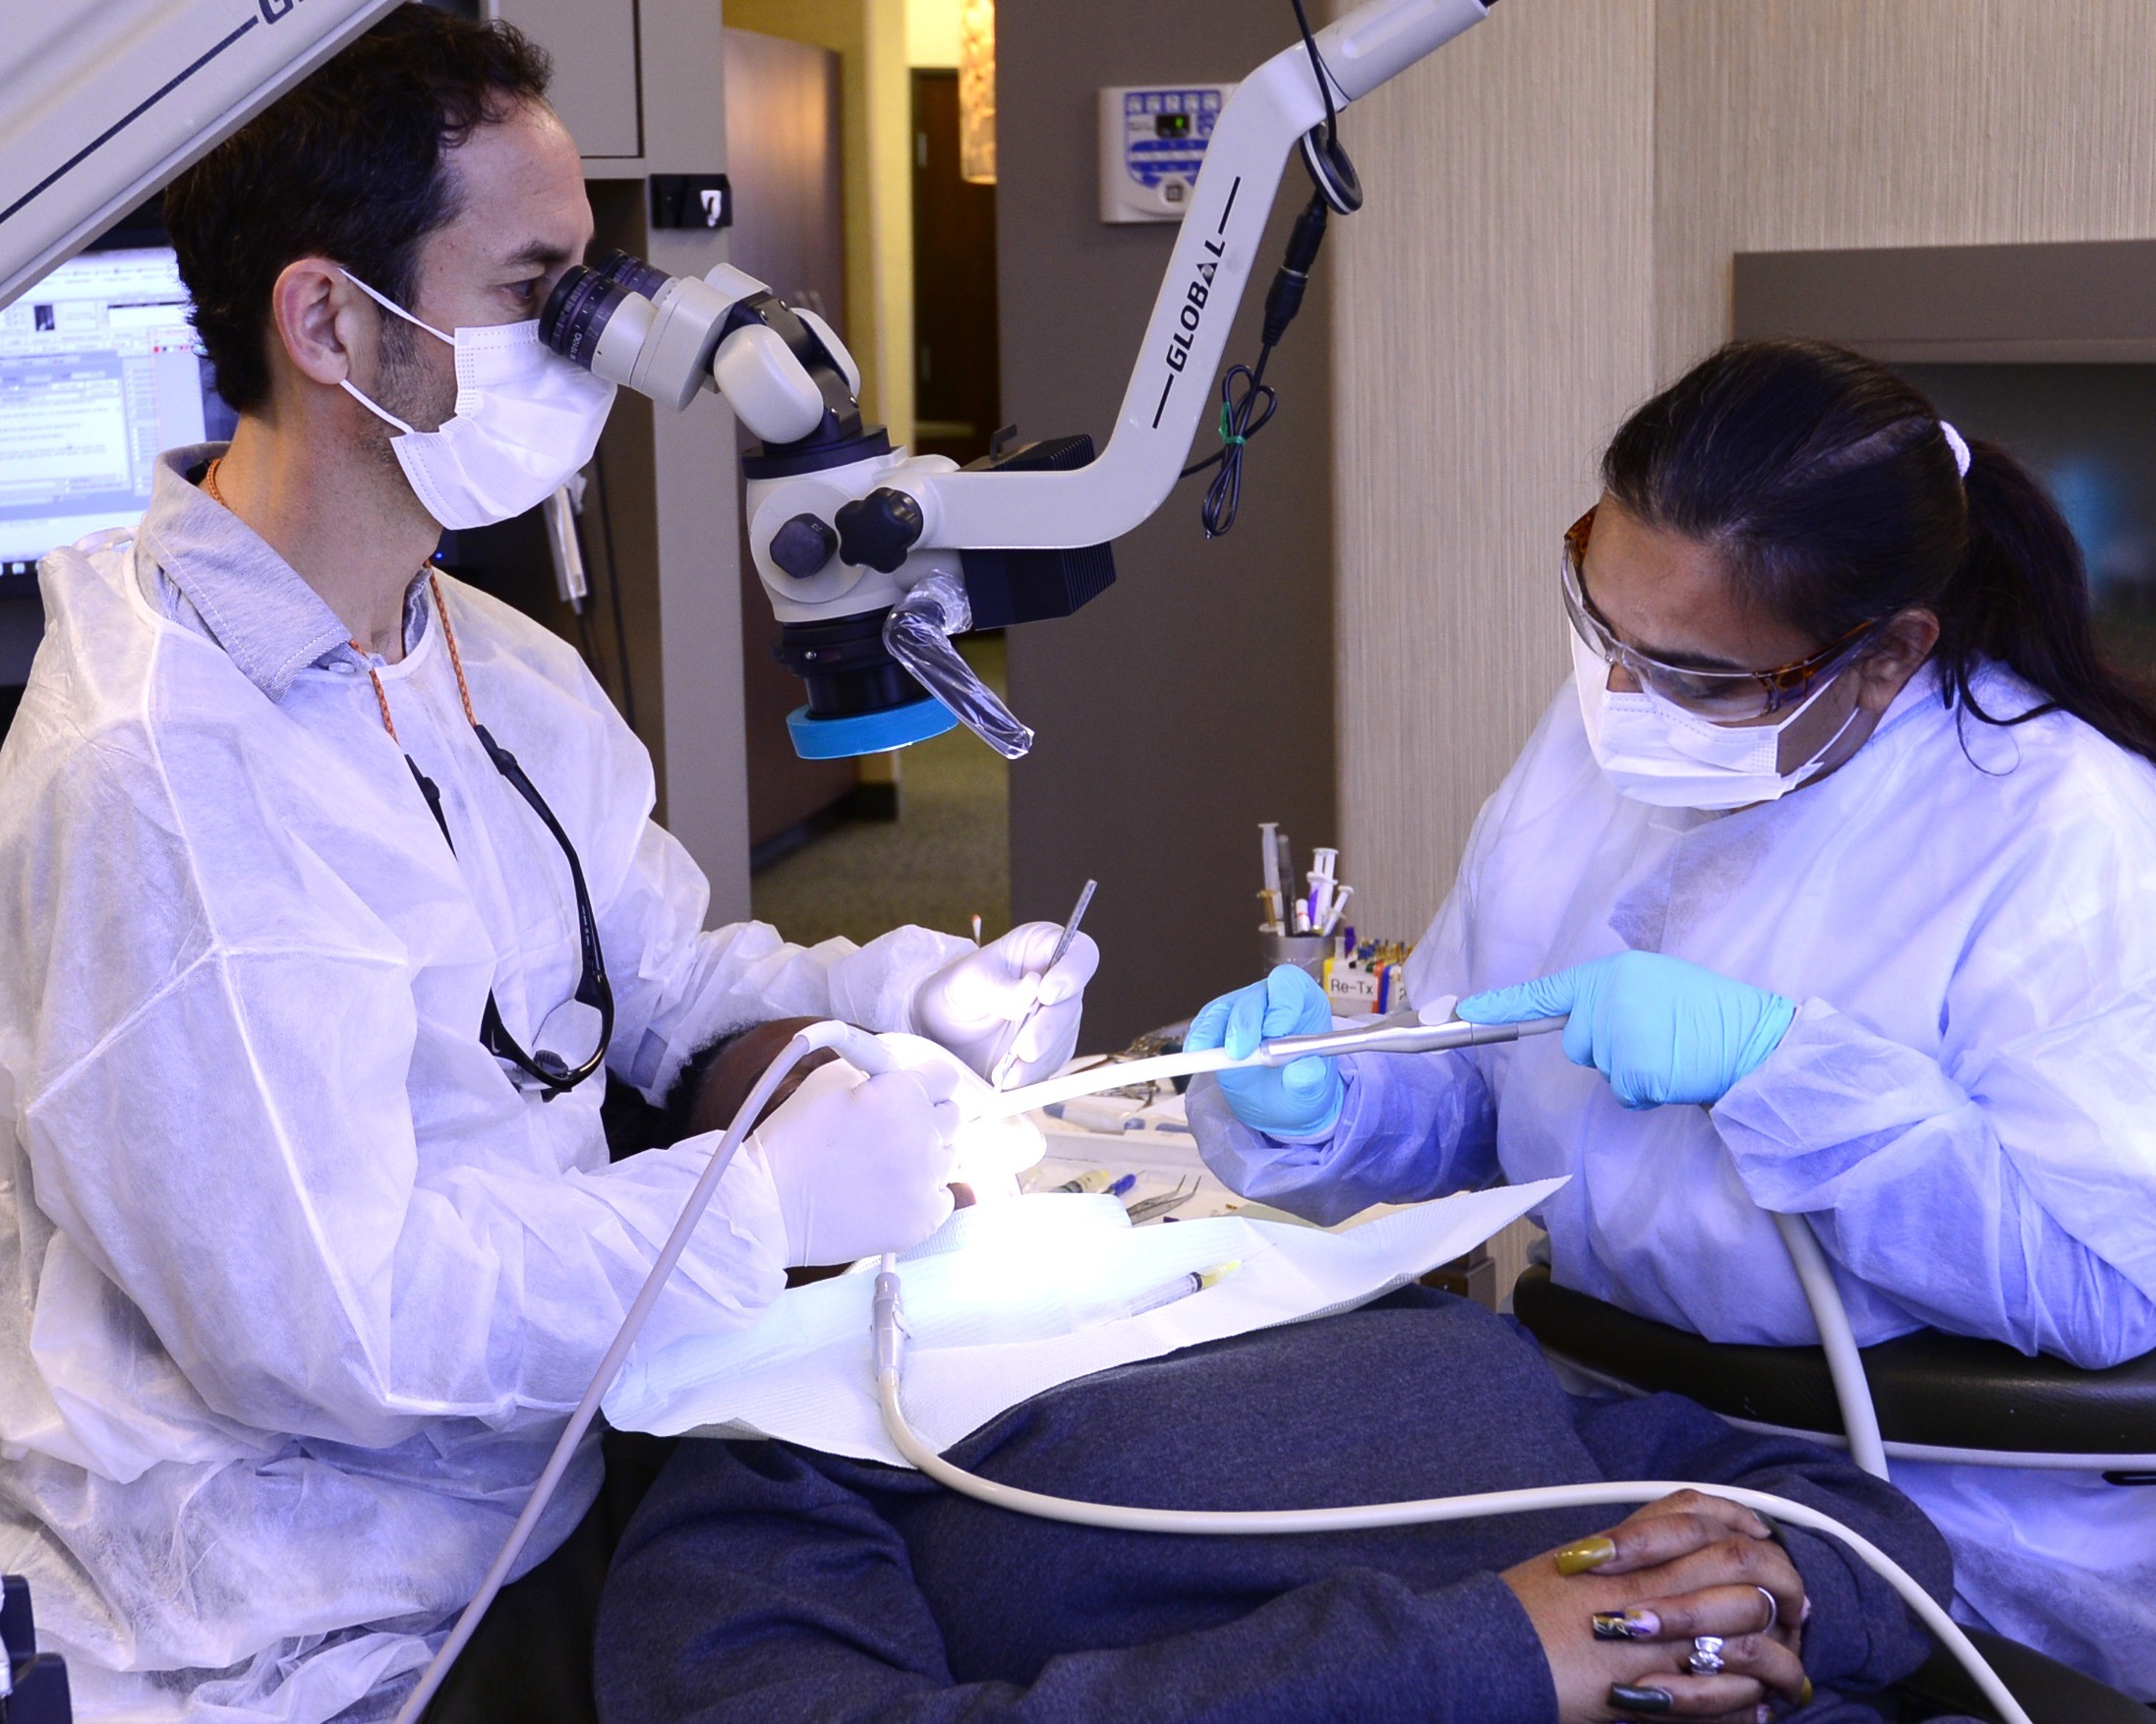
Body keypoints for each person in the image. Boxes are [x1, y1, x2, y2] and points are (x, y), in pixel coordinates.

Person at [0, 10, 1095, 1721]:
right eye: (538, 290)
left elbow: (656, 981)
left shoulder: (484, 656)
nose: (596, 348)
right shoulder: (153, 775)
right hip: (309, 1623)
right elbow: (338, 1323)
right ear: (329, 320)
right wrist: (756, 1205)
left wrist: (898, 999)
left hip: (559, 1460)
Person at [1186, 340, 2156, 1695]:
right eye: (1602, 629)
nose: (1624, 702)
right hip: (1603, 1430)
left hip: (1923, 1504)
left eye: (1697, 676)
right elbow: (1485, 1085)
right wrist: (1334, 1098)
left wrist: (1782, 1070)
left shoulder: (2063, 830)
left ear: (1885, 656)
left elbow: (2104, 1283)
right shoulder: (1621, 719)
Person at [594, 1284, 1955, 1723]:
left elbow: (1866, 1533)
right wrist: (1480, 1659)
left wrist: (1769, 1596)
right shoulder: (787, 1433)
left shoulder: (1378, 1300)